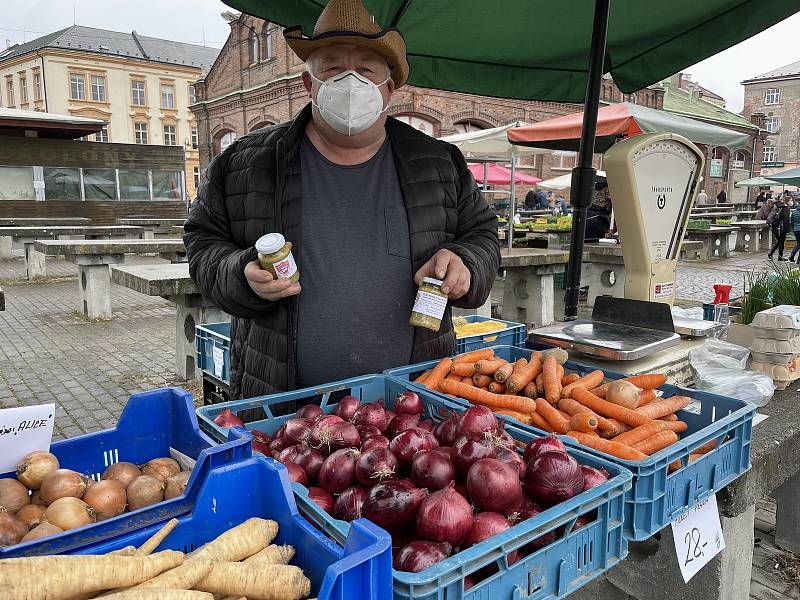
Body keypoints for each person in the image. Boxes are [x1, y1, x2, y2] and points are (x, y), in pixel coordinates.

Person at [184, 0, 500, 399]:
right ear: (308, 83)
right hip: (280, 408)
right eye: (332, 67)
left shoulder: (438, 163)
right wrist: (239, 275)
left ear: (389, 89)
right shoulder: (244, 163)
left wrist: (466, 263)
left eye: (366, 69)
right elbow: (201, 244)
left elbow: (483, 236)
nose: (350, 82)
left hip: (414, 406)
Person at [767, 196, 791, 261]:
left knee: (780, 241)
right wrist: (787, 229)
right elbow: (786, 219)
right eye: (790, 200)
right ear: (787, 201)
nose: (791, 202)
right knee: (781, 241)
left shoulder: (778, 206)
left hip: (776, 226)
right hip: (781, 227)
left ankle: (778, 256)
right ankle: (773, 254)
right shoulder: (786, 208)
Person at [789, 197, 800, 263]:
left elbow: (792, 222)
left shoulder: (794, 212)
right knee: (799, 244)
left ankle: (797, 259)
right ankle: (792, 255)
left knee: (798, 243)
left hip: (796, 230)